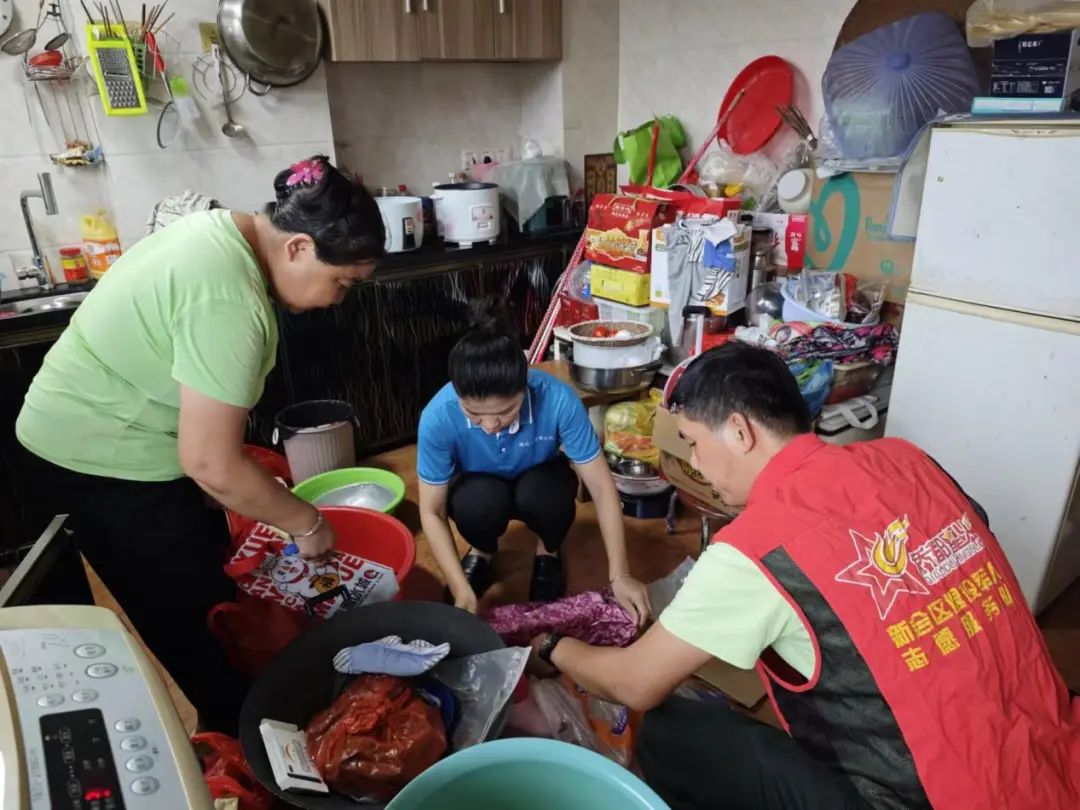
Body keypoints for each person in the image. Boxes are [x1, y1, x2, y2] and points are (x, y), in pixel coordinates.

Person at [527, 342, 1080, 810]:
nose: (694, 462)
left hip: (929, 797)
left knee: (673, 731)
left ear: (739, 432)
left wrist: (552, 645)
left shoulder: (759, 544)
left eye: (693, 442)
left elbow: (635, 683)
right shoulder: (907, 460)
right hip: (1053, 759)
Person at [16, 155, 384, 735]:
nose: (338, 299)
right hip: (100, 458)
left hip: (107, 434)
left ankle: (251, 723)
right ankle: (249, 745)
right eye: (342, 282)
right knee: (203, 630)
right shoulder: (230, 300)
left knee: (214, 582)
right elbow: (210, 461)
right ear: (297, 247)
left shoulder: (221, 232)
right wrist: (307, 523)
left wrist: (228, 485)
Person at [417, 307, 651, 622]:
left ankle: (548, 549)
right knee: (476, 503)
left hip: (540, 477)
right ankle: (482, 550)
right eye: (474, 414)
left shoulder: (557, 399)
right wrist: (460, 589)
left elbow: (601, 487)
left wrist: (620, 575)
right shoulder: (438, 416)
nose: (490, 425)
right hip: (479, 485)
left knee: (545, 496)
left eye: (505, 411)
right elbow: (431, 511)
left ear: (525, 386)